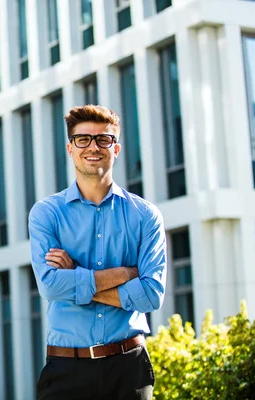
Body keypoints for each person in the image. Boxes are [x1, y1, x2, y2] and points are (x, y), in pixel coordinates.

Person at [28, 105, 167, 400]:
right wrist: (126, 274)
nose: (93, 147)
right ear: (70, 148)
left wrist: (74, 277)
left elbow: (151, 294)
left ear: (115, 148)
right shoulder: (46, 214)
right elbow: (50, 286)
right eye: (83, 139)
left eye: (103, 139)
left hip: (129, 366)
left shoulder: (145, 216)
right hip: (66, 368)